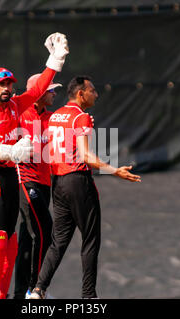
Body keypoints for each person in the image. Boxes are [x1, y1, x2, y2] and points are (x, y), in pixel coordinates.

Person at [0, 32, 69, 299]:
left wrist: (55, 59)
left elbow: (37, 90)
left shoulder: (14, 104)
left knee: (12, 238)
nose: (7, 88)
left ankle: (3, 293)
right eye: (1, 84)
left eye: (9, 84)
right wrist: (8, 151)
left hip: (11, 174)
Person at [30, 76, 141, 299]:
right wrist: (115, 171)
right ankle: (88, 297)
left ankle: (38, 289)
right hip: (78, 181)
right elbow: (86, 156)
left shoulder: (56, 116)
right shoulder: (81, 117)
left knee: (58, 241)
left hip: (58, 183)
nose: (96, 94)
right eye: (92, 90)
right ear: (81, 94)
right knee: (90, 240)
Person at [13, 74, 61, 299]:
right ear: (39, 91)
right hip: (26, 179)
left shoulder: (52, 117)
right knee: (44, 230)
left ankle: (21, 292)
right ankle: (35, 289)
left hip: (45, 182)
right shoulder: (21, 114)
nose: (54, 93)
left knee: (27, 238)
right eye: (51, 89)